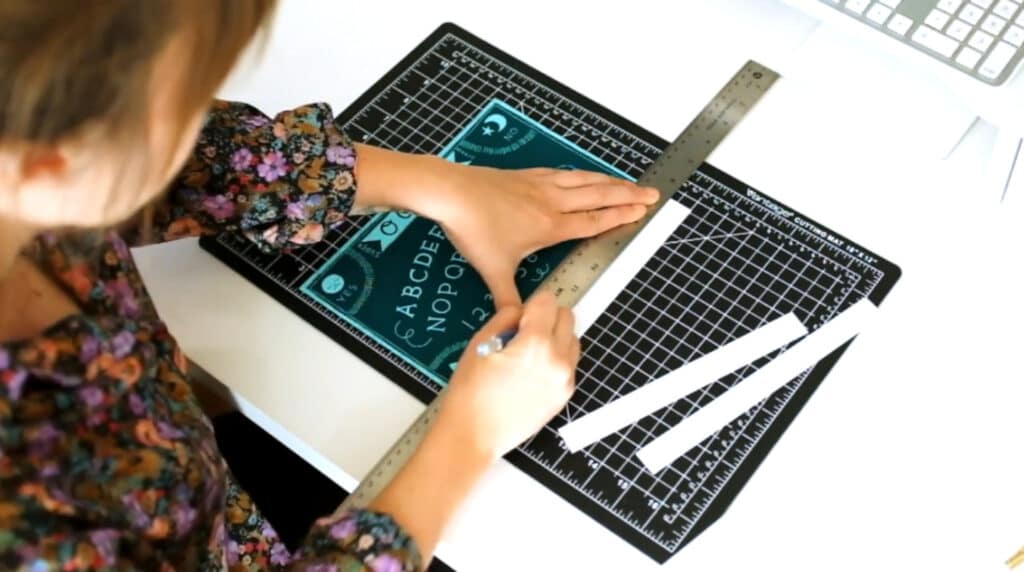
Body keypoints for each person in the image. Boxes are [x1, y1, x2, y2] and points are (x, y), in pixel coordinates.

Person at [0, 1, 659, 570]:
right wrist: (470, 435)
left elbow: (184, 165)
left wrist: (441, 184)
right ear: (57, 162)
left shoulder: (27, 185)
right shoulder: (31, 523)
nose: (203, 113)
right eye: (185, 102)